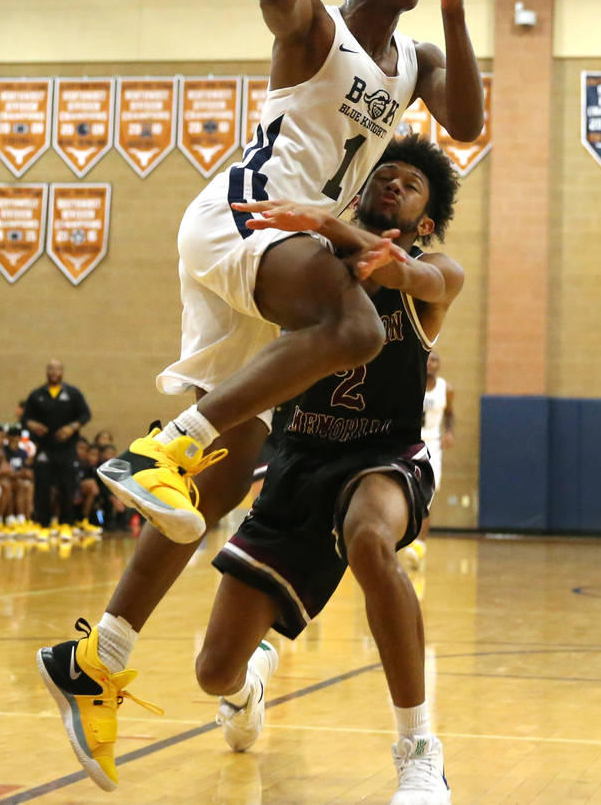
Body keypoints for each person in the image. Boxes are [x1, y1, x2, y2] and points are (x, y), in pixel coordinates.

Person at [38, 0, 483, 791]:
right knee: (355, 328)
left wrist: (453, 6)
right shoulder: (315, 28)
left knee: (218, 484)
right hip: (246, 216)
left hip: (286, 250)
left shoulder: (408, 58)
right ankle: (164, 443)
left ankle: (97, 657)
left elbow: (461, 112)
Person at [193, 133, 461, 805]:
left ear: (425, 221)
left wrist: (325, 222)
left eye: (411, 183)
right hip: (297, 460)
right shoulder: (305, 265)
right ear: (362, 190)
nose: (393, 184)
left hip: (383, 454)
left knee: (371, 539)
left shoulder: (436, 272)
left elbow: (410, 274)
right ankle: (251, 679)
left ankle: (420, 753)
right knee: (212, 671)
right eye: (385, 175)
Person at [23, 359, 91, 529]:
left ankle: (67, 523)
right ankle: (42, 523)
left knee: (67, 486)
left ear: (62, 372)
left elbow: (85, 415)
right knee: (42, 487)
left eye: (57, 369)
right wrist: (34, 425)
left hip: (67, 448)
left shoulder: (73, 393)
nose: (54, 372)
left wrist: (70, 428)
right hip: (44, 448)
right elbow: (25, 418)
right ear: (47, 372)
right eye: (51, 369)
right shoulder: (37, 394)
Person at [406, 351, 455, 567]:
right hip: (409, 442)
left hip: (432, 445)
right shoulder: (410, 382)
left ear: (439, 365)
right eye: (428, 359)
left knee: (427, 495)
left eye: (436, 360)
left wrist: (449, 432)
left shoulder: (447, 389)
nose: (431, 363)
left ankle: (419, 546)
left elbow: (449, 413)